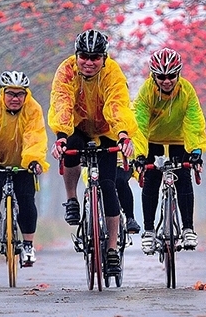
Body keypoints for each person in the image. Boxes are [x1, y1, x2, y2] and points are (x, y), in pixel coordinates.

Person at [49, 29, 139, 276]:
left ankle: (111, 249)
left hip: (107, 130)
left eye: (95, 58)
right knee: (70, 153)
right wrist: (61, 137)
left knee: (109, 186)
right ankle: (72, 199)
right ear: (76, 56)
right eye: (84, 57)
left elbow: (117, 103)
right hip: (77, 126)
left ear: (104, 58)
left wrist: (122, 133)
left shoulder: (112, 73)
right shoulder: (66, 70)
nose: (89, 62)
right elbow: (61, 101)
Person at [133, 47, 206, 254]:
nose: (166, 81)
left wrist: (196, 151)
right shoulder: (146, 92)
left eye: (171, 76)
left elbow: (194, 120)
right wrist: (139, 154)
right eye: (161, 76)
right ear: (153, 76)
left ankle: (188, 229)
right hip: (153, 140)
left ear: (179, 73)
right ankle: (149, 231)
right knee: (152, 180)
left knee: (183, 177)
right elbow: (138, 123)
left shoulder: (187, 91)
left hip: (178, 139)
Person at [0, 70, 49, 266]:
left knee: (27, 200)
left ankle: (28, 245)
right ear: (3, 92)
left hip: (23, 162)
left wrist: (34, 160)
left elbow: (35, 136)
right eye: (10, 93)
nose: (15, 98)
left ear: (26, 94)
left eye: (20, 94)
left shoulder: (33, 109)